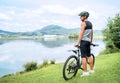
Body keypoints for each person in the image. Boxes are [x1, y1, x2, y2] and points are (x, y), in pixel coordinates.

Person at [74, 11, 94, 77]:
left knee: (83, 56)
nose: (80, 17)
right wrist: (91, 41)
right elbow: (92, 33)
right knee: (89, 55)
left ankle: (85, 72)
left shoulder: (83, 23)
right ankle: (92, 70)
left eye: (81, 16)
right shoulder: (90, 23)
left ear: (85, 17)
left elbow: (81, 34)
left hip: (83, 42)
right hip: (88, 42)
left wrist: (77, 43)